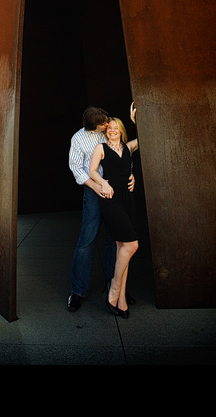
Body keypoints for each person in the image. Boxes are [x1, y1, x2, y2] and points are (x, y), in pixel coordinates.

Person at [67, 105, 135, 312]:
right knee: (87, 239)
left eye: (108, 121)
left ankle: (113, 285)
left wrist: (131, 175)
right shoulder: (79, 139)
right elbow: (76, 168)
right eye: (103, 124)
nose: (108, 125)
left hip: (117, 191)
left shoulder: (109, 129)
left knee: (114, 239)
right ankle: (78, 291)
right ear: (93, 127)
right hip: (94, 190)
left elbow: (123, 151)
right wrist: (98, 186)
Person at [89, 111, 139, 318]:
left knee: (122, 248)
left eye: (116, 127)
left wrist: (136, 120)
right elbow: (92, 171)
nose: (112, 130)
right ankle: (114, 289)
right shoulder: (100, 148)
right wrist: (103, 183)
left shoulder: (129, 147)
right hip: (110, 198)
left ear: (121, 130)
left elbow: (146, 136)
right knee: (131, 245)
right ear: (106, 132)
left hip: (127, 198)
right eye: (109, 128)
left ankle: (122, 300)